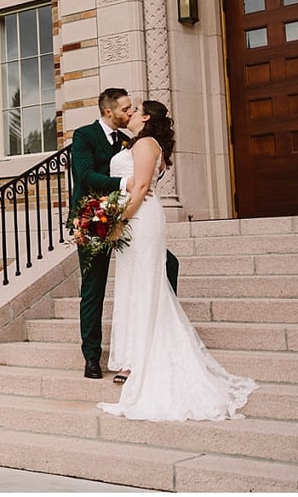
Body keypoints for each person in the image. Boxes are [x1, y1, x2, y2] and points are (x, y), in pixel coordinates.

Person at [98, 100, 257, 420]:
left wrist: (118, 222)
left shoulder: (145, 143)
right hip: (134, 216)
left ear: (146, 117)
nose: (130, 112)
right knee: (135, 286)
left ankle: (144, 357)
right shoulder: (141, 142)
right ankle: (134, 356)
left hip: (139, 219)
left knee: (146, 285)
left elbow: (142, 186)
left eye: (135, 109)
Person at [71, 88, 179, 380]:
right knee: (93, 289)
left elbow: (147, 166)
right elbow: (85, 175)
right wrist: (125, 184)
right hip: (95, 217)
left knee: (168, 264)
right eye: (125, 108)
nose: (130, 112)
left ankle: (160, 331)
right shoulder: (84, 136)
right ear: (109, 111)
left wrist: (151, 173)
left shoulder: (130, 138)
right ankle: (91, 357)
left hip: (130, 218)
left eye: (133, 108)